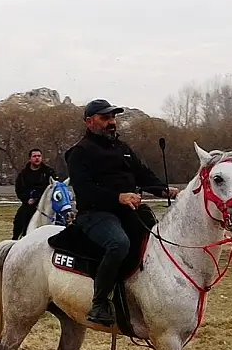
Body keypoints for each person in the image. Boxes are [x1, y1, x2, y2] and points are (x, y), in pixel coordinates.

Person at [64, 99, 179, 326]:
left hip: (126, 211)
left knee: (156, 236)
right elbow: (84, 190)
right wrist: (119, 197)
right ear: (89, 121)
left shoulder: (123, 149)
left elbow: (143, 174)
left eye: (113, 118)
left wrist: (164, 190)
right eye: (105, 118)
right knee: (119, 243)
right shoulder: (80, 152)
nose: (111, 122)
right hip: (95, 214)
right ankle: (99, 303)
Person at [11, 148, 58, 239]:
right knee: (19, 218)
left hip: (47, 203)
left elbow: (55, 187)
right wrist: (27, 200)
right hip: (29, 204)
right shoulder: (23, 174)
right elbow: (19, 189)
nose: (37, 158)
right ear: (30, 159)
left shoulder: (48, 172)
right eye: (34, 156)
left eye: (39, 156)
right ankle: (17, 238)